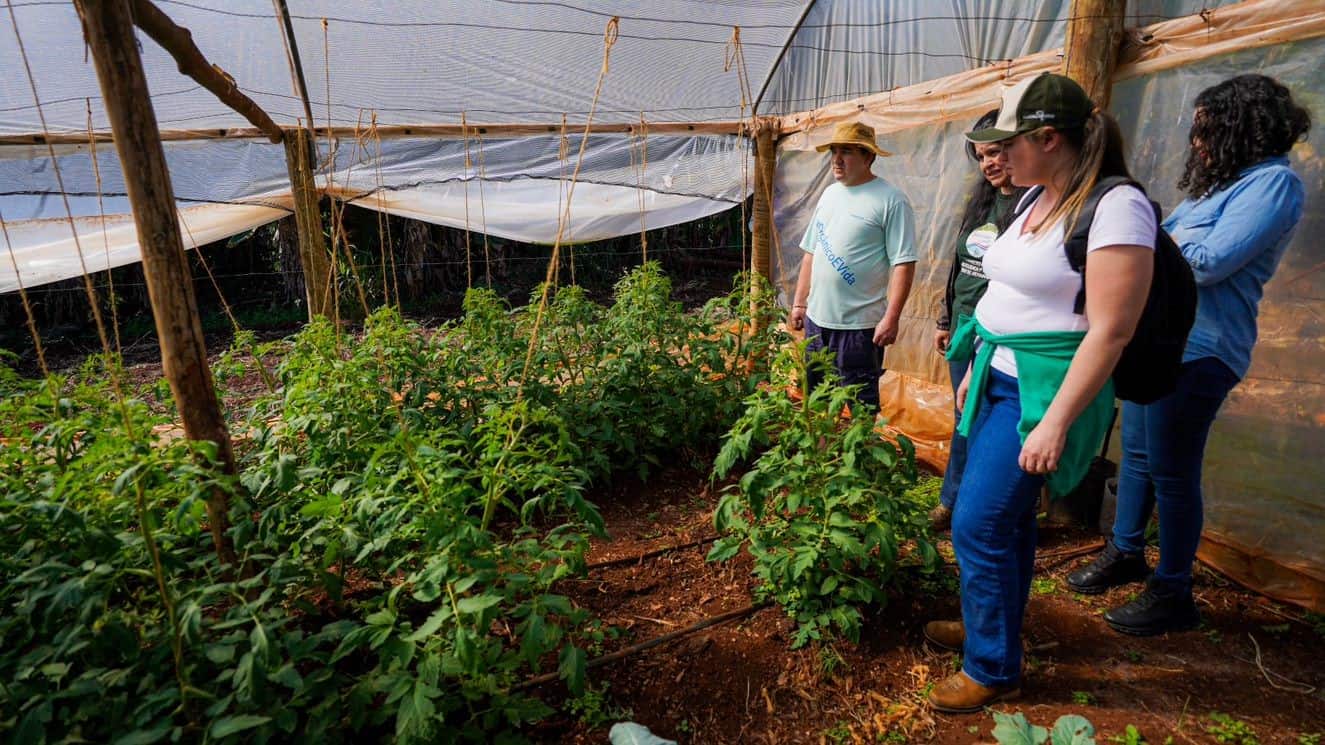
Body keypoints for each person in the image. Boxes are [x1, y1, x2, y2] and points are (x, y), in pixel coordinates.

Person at [924, 72, 1156, 713]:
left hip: (1043, 393)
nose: (998, 158)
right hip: (996, 378)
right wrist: (980, 359)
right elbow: (1006, 290)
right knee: (1004, 520)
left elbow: (1111, 331)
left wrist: (1054, 421)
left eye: (1009, 144)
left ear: (1048, 138)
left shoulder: (1115, 208)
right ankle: (989, 627)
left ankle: (993, 667)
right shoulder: (1035, 197)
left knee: (978, 523)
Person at [1067, 74, 1311, 635]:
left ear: (1241, 128)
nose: (1196, 142)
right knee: (1138, 455)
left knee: (1174, 472)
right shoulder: (1213, 189)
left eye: (1207, 130)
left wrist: (1142, 232)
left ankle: (1173, 590)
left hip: (1203, 349)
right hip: (1163, 341)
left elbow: (1205, 262)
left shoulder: (1273, 186)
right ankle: (1125, 550)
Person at [930, 110, 1027, 531]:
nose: (988, 163)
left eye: (996, 152)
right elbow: (958, 264)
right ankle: (953, 500)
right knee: (964, 415)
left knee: (994, 418)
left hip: (1002, 333)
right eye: (982, 156)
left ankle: (985, 504)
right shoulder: (981, 203)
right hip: (966, 326)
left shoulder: (1030, 206)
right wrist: (945, 318)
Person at [788, 120, 917, 411]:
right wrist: (799, 304)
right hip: (818, 322)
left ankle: (856, 456)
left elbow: (904, 262)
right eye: (834, 151)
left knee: (860, 405)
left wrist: (892, 318)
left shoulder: (891, 201)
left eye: (846, 151)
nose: (837, 159)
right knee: (817, 400)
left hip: (859, 327)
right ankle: (819, 456)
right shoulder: (829, 194)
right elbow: (811, 251)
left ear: (868, 157)